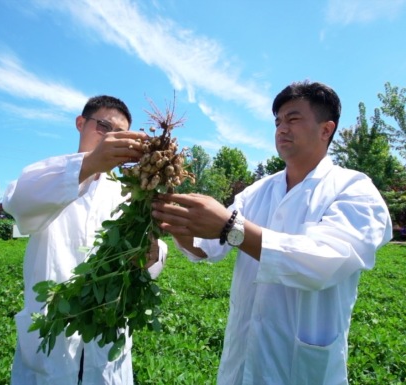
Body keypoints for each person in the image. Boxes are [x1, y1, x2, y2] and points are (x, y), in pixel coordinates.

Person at [152, 81, 392, 385]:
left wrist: (231, 227)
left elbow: (321, 263)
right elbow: (207, 248)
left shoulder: (354, 190)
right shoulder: (257, 192)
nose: (281, 129)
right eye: (278, 121)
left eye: (293, 119)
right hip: (241, 363)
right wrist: (178, 225)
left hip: (301, 370)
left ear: (326, 129)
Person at [3, 95, 166, 385]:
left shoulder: (129, 193)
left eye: (121, 135)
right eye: (104, 127)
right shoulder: (51, 174)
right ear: (81, 123)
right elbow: (19, 202)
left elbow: (150, 255)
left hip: (106, 339)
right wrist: (89, 164)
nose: (111, 139)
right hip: (50, 346)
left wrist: (153, 255)